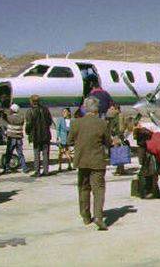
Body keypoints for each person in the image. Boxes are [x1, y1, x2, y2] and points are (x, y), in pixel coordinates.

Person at [67, 96, 113, 231]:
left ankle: (86, 216)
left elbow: (69, 141)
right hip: (97, 161)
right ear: (96, 109)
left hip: (81, 161)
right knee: (98, 190)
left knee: (83, 188)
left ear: (84, 108)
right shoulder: (102, 124)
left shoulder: (76, 123)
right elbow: (108, 143)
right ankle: (98, 217)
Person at [25, 94, 53, 177]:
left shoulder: (30, 111)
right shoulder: (45, 109)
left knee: (36, 154)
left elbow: (29, 124)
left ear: (31, 101)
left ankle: (37, 171)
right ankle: (46, 171)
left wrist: (27, 132)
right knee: (45, 153)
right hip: (45, 134)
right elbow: (49, 121)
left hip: (36, 135)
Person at [2, 103, 28, 174]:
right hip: (19, 137)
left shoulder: (10, 117)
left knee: (9, 153)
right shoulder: (21, 118)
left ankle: (6, 168)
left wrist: (4, 109)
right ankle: (24, 167)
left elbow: (4, 116)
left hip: (11, 137)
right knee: (20, 153)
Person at [106, 104, 127, 175]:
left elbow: (112, 128)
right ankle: (121, 169)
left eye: (112, 109)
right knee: (120, 152)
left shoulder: (115, 117)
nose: (110, 111)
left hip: (116, 136)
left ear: (116, 109)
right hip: (121, 135)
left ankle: (119, 170)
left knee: (117, 153)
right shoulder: (122, 115)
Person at [55, 107, 74, 172]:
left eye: (65, 112)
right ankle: (60, 166)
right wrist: (58, 137)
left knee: (68, 151)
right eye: (63, 112)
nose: (63, 113)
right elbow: (58, 129)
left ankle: (69, 165)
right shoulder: (60, 120)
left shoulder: (72, 120)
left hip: (69, 138)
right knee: (61, 152)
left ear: (68, 113)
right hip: (62, 138)